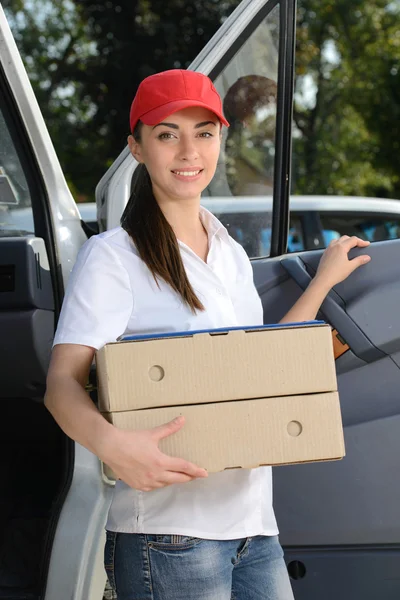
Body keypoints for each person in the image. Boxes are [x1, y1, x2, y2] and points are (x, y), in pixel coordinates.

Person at [44, 69, 371, 600]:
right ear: (138, 147)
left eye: (204, 132)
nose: (188, 150)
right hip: (169, 536)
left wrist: (323, 282)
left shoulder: (230, 253)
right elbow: (62, 384)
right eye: (167, 134)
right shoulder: (113, 257)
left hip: (254, 527)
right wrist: (114, 447)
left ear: (221, 140)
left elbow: (263, 367)